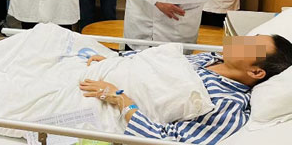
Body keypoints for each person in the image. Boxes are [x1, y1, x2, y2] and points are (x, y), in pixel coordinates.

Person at [80, 34, 292, 144]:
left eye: (251, 46)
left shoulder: (227, 105)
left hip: (105, 104)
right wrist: (116, 58)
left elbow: (166, 140)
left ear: (256, 72)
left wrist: (120, 99)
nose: (240, 41)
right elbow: (156, 62)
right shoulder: (211, 58)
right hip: (103, 73)